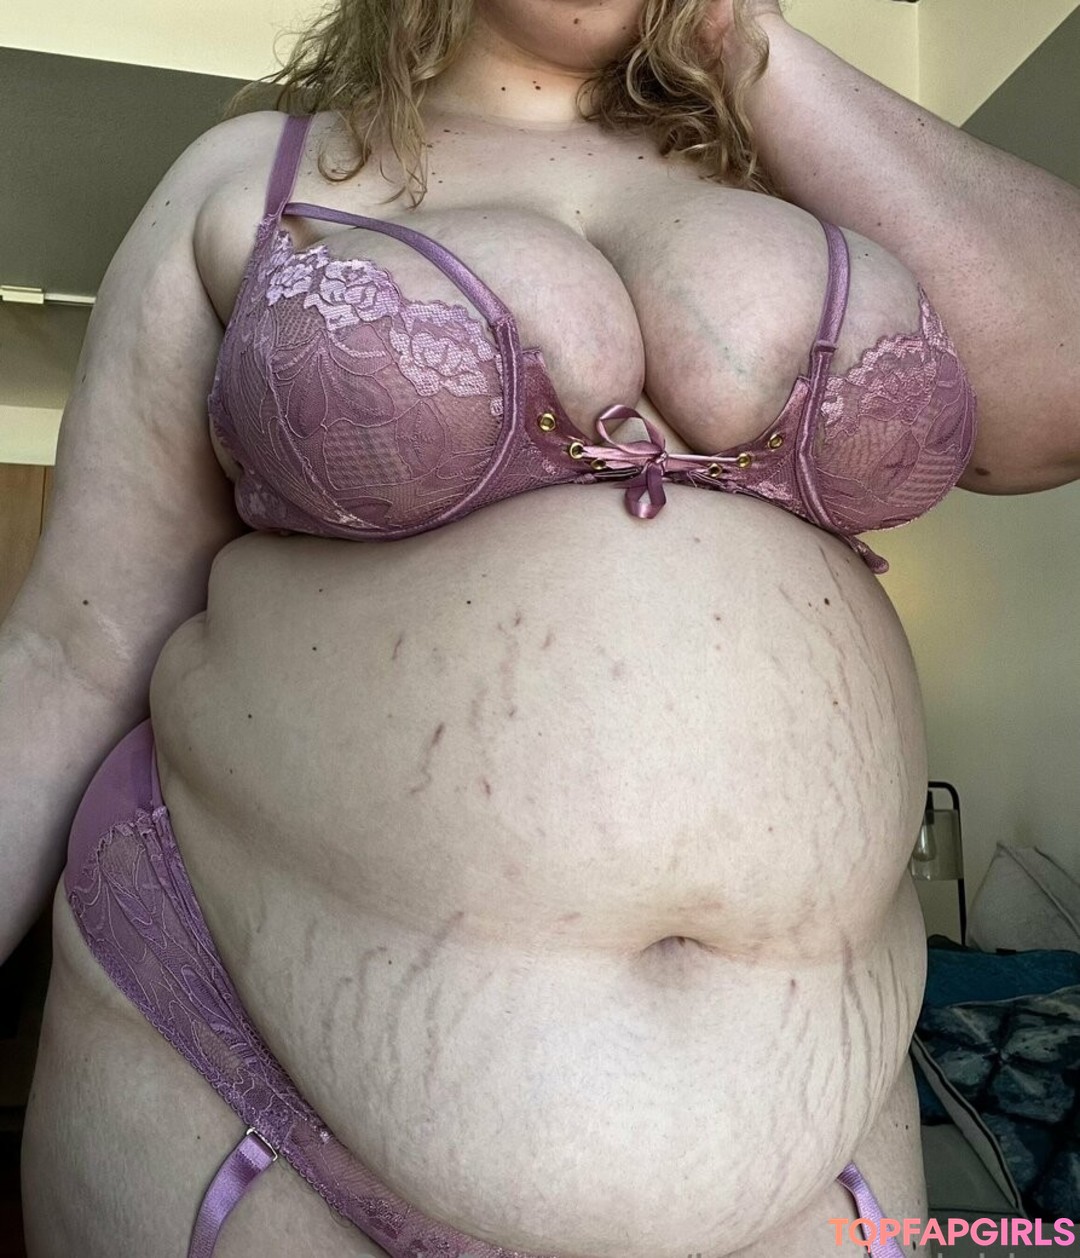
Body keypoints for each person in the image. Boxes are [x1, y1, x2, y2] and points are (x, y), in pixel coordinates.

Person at [2, 0, 1076, 1255]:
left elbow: (1059, 396)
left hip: (814, 1151)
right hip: (244, 1080)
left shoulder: (801, 184)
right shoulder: (254, 178)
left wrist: (746, 42)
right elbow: (69, 653)